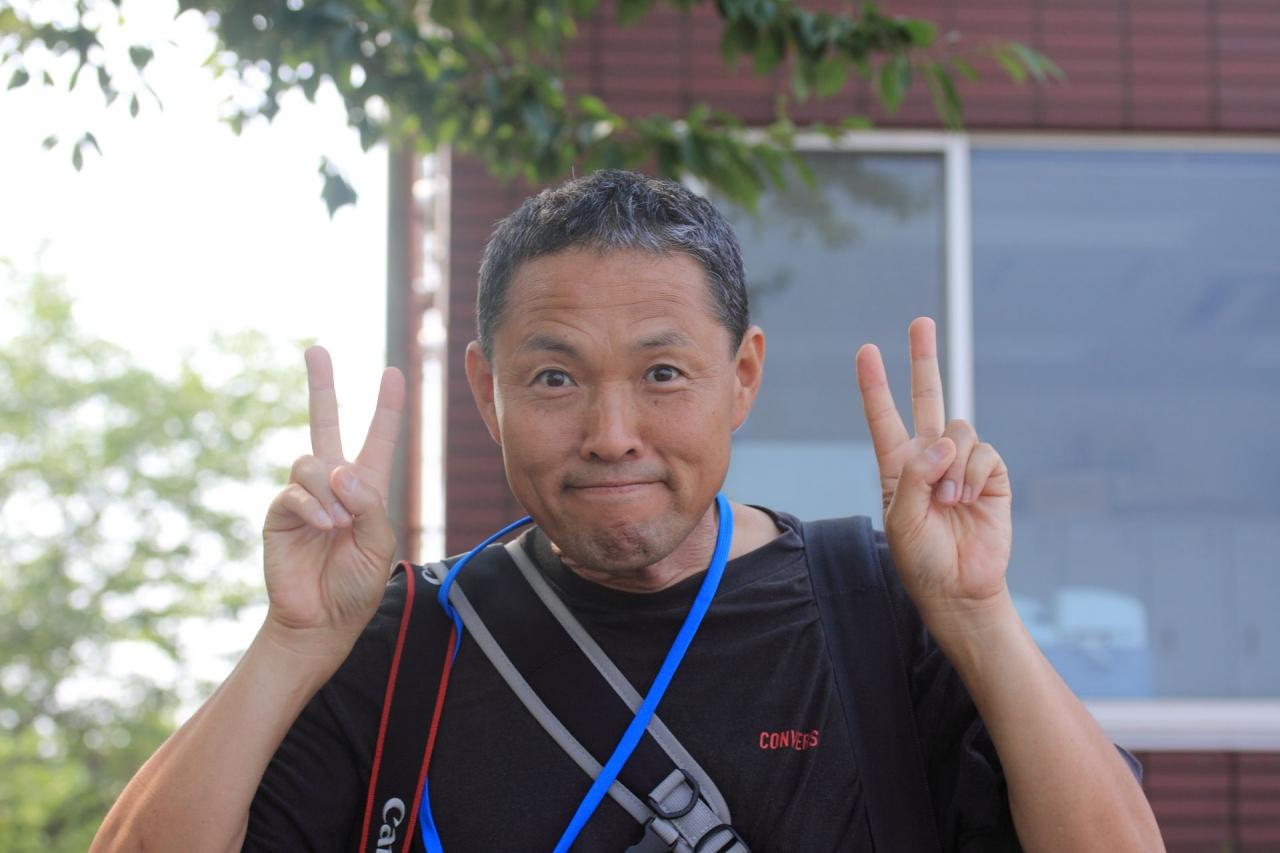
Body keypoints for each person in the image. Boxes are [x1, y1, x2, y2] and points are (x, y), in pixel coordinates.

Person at [92, 170, 1164, 852]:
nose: (611, 433)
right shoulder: (401, 638)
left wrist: (977, 614)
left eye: (662, 373)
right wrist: (290, 643)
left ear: (741, 377)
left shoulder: (880, 610)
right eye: (555, 378)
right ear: (487, 393)